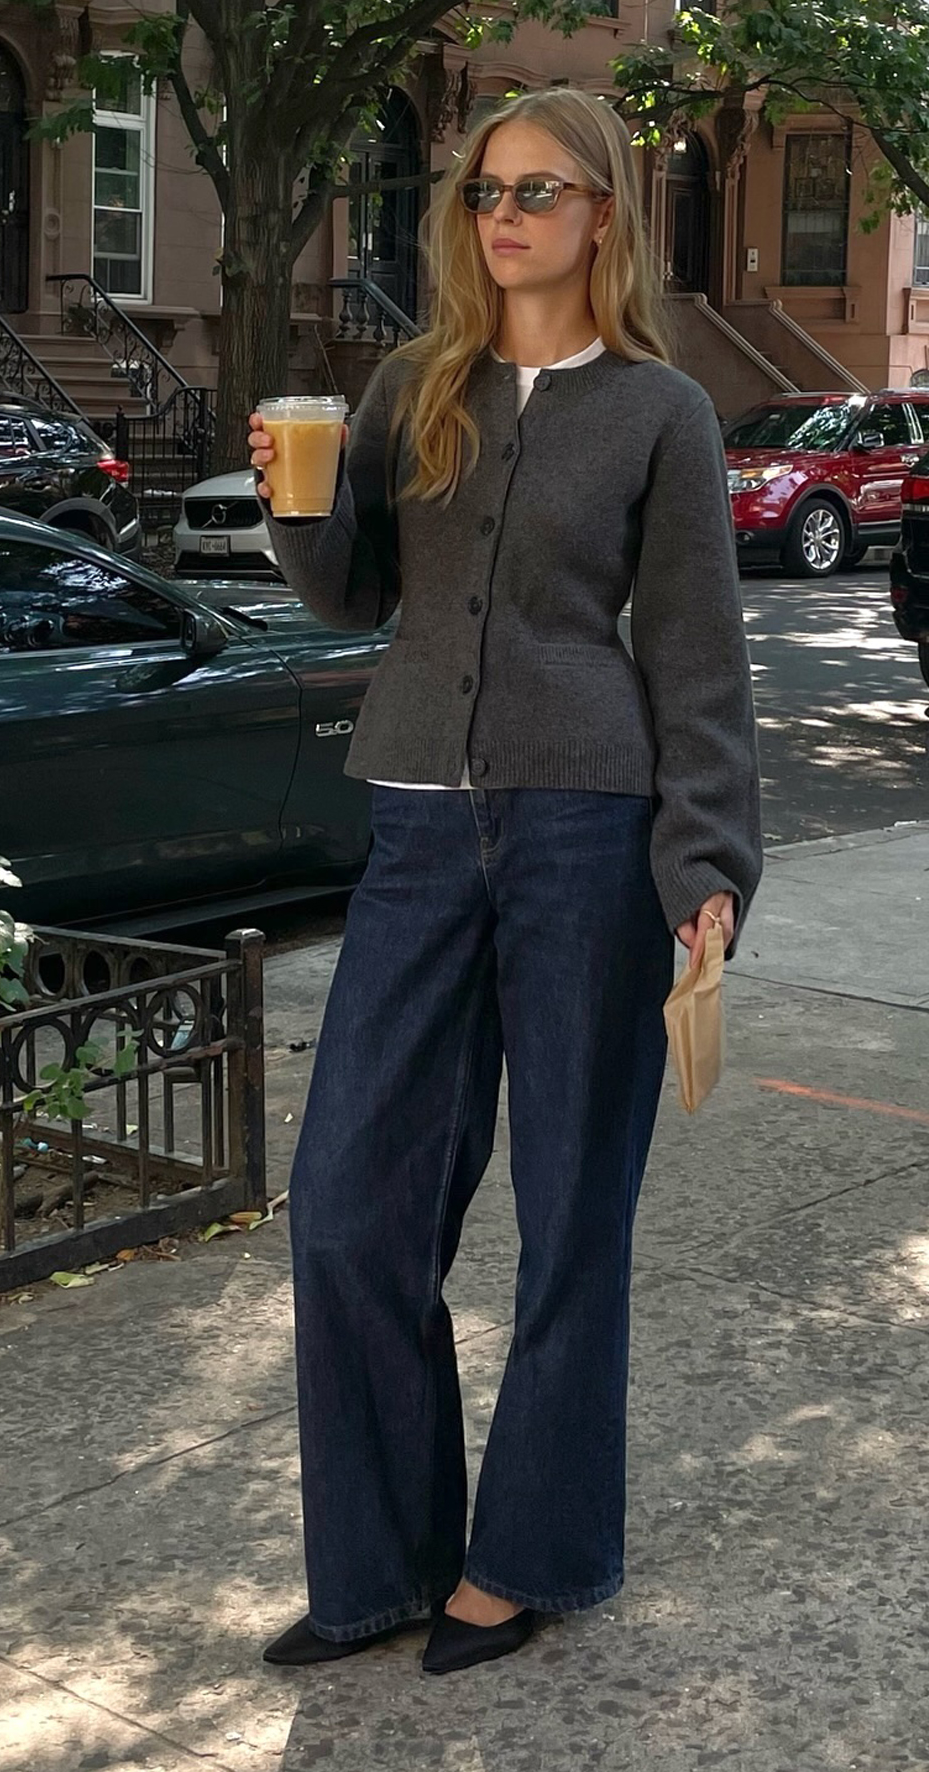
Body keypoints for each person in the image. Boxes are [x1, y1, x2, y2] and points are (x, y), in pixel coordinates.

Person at [249, 87, 761, 1677]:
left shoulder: (662, 412)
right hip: (415, 824)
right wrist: (295, 495)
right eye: (483, 193)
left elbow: (694, 663)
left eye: (540, 189)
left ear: (605, 212)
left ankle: (528, 1552)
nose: (506, 214)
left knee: (570, 1215)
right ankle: (386, 1560)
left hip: (583, 836)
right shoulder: (416, 385)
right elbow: (352, 598)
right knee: (344, 1208)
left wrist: (705, 865)